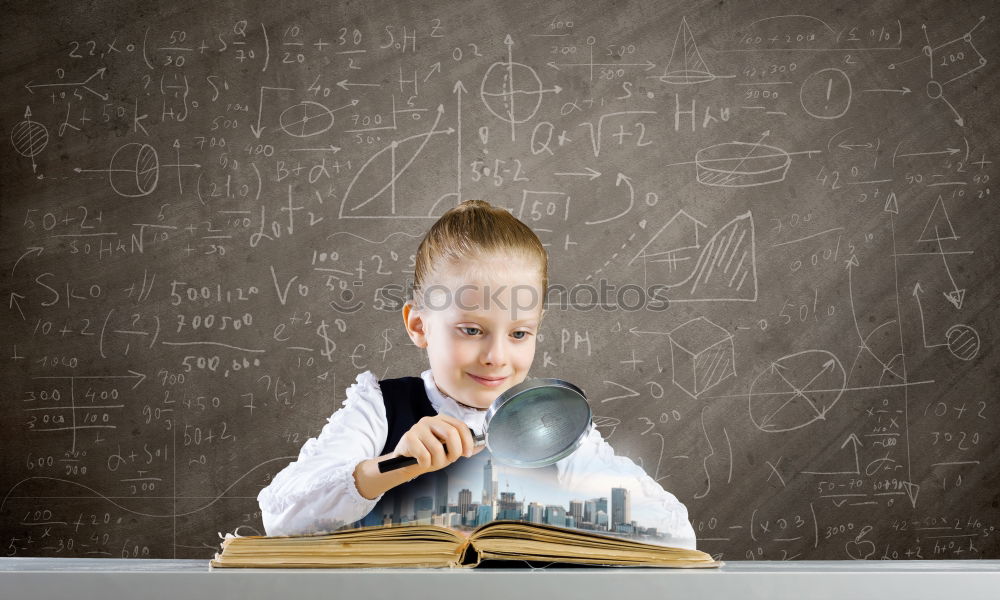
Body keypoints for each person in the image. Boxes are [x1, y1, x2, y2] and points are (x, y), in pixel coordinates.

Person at [257, 200, 697, 549]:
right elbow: (281, 516)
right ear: (418, 325)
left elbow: (676, 535)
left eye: (520, 333)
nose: (496, 356)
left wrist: (568, 502)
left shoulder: (551, 423)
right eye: (471, 329)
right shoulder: (379, 408)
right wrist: (390, 467)